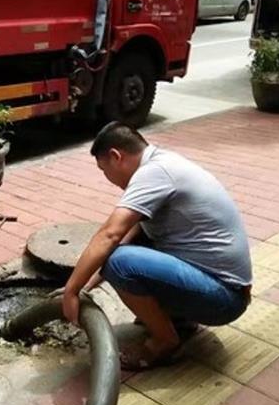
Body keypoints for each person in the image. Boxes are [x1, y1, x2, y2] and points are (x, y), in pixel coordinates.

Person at [62, 122, 252, 369]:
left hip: (223, 298)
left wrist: (71, 291)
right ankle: (179, 320)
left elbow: (110, 235)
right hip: (225, 288)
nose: (106, 178)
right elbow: (131, 232)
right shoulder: (164, 163)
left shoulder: (154, 173)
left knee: (119, 262)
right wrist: (86, 285)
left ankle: (164, 341)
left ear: (115, 156)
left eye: (103, 169)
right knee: (134, 246)